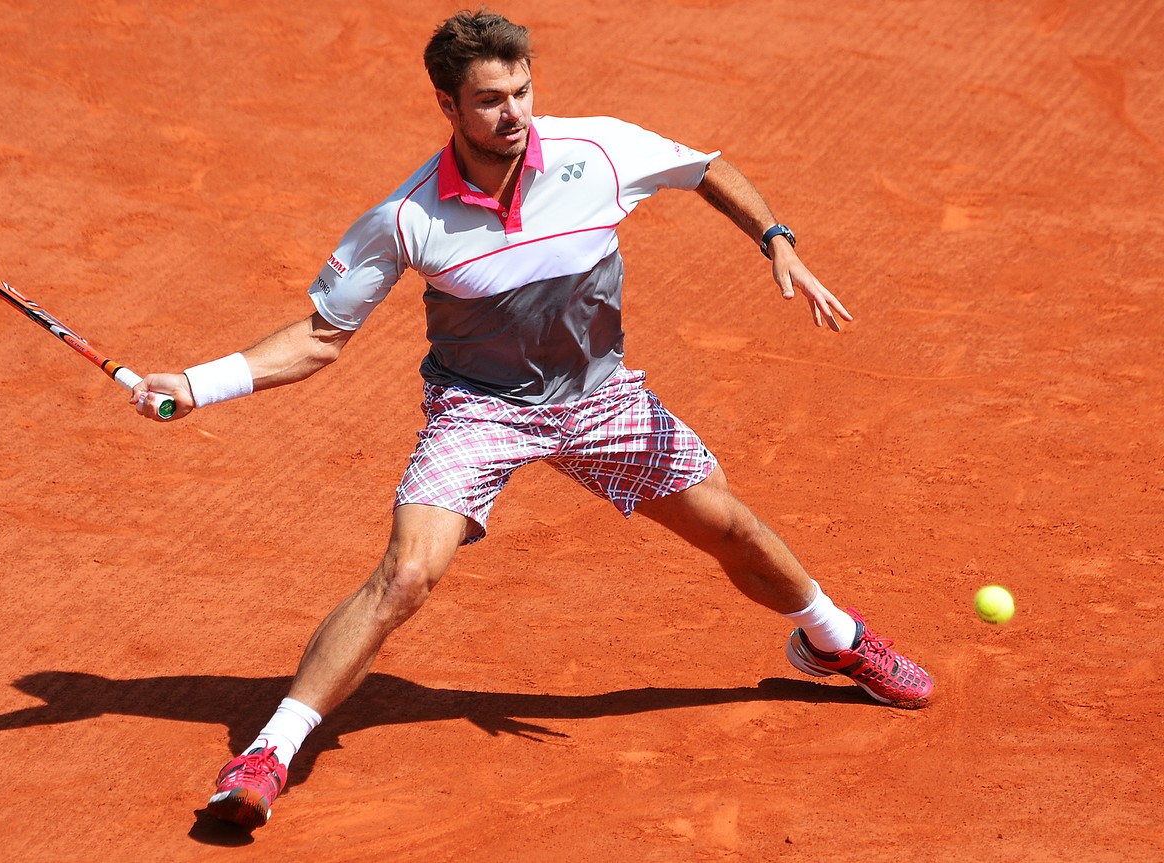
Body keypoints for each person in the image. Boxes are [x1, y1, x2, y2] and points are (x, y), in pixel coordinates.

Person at [129, 10, 934, 830]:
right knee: (406, 575)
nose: (512, 113)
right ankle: (268, 751)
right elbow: (317, 339)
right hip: (481, 409)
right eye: (489, 99)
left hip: (599, 397)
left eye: (521, 90)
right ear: (448, 106)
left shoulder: (597, 152)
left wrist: (776, 237)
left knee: (731, 528)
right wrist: (199, 384)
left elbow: (704, 167)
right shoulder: (409, 219)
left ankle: (833, 640)